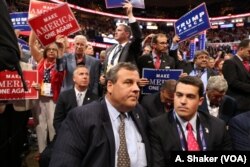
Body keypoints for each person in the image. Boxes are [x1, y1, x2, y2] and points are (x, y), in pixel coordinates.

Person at [49, 62, 151, 167]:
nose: (136, 89)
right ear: (110, 86)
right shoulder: (81, 117)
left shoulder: (141, 113)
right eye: (128, 82)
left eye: (137, 84)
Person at [149, 76, 232, 166]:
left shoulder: (218, 126)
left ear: (200, 101)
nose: (183, 101)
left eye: (190, 96)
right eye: (179, 95)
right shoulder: (157, 126)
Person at [100, 0, 142, 75]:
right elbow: (104, 67)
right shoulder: (109, 49)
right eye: (116, 30)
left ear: (127, 34)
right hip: (109, 84)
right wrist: (102, 75)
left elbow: (138, 36)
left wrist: (130, 15)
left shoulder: (131, 47)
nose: (115, 32)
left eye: (119, 30)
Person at [53, 65, 99, 132]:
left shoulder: (95, 99)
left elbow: (96, 123)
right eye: (81, 74)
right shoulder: (64, 96)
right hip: (67, 135)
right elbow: (57, 121)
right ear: (74, 78)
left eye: (87, 74)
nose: (85, 77)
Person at [222, 39, 250, 114]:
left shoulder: (247, 63)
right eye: (249, 51)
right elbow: (233, 82)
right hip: (238, 104)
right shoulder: (230, 62)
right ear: (241, 49)